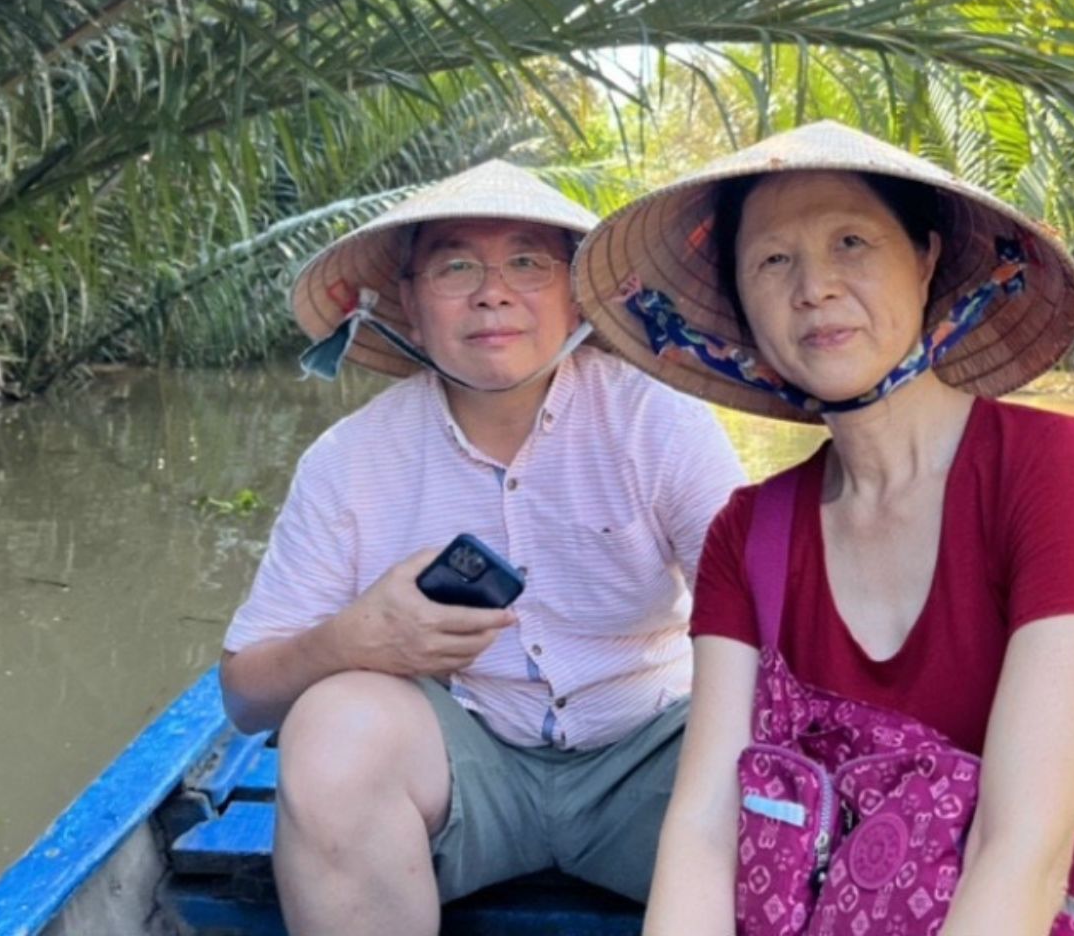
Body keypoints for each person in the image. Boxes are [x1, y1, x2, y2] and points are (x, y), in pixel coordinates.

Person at [573, 121, 1074, 935]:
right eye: (773, 261)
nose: (815, 288)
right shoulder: (749, 534)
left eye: (851, 242)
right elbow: (704, 829)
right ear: (740, 301)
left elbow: (1024, 846)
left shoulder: (1051, 469)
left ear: (927, 259)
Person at [219, 159, 749, 936]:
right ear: (407, 303)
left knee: (788, 760)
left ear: (575, 294)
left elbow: (762, 632)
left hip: (653, 764)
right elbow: (243, 694)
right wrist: (352, 639)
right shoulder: (350, 459)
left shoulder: (657, 423)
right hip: (462, 772)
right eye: (456, 265)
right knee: (332, 724)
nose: (492, 291)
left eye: (529, 262)